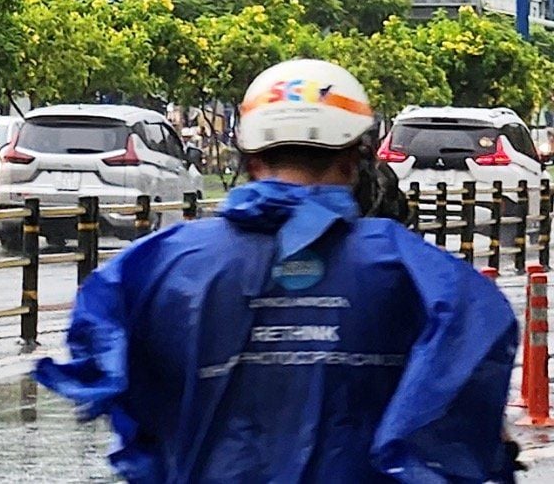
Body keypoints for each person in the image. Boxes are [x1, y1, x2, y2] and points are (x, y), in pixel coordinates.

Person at [36, 58, 520, 483]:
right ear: (354, 159)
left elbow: (112, 379)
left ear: (249, 159)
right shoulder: (418, 274)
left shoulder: (157, 266)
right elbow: (469, 396)